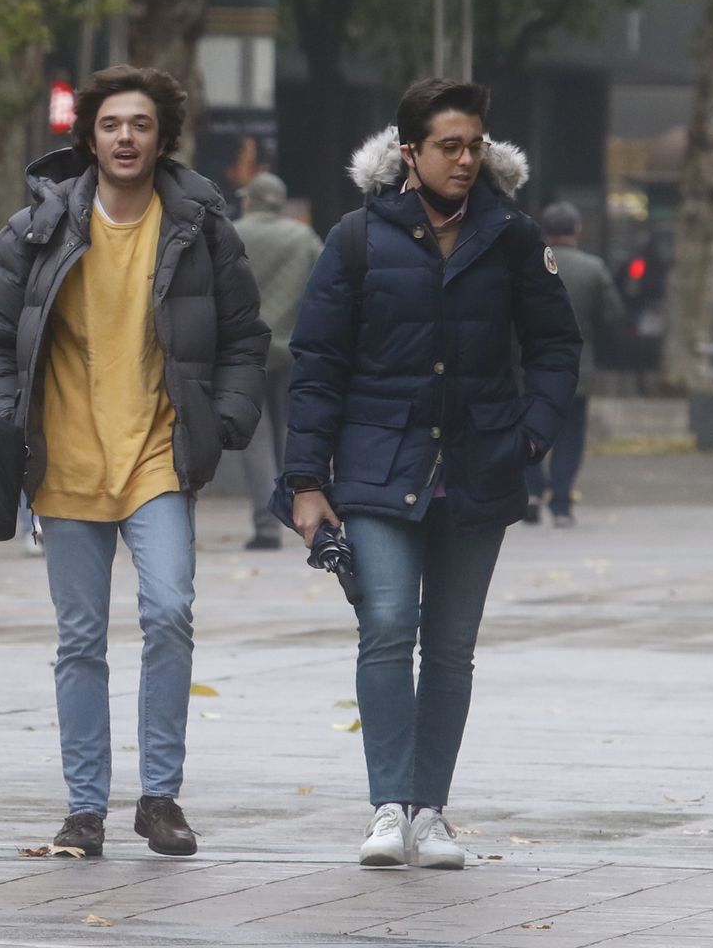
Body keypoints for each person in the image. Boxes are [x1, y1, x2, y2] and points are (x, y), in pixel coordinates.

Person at [272, 78, 580, 870]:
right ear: (409, 152)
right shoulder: (356, 239)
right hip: (378, 464)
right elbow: (317, 364)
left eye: (476, 144)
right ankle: (387, 805)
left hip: (479, 466)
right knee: (386, 626)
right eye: (450, 145)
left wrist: (533, 437)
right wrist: (306, 478)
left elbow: (555, 345)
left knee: (449, 646)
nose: (467, 159)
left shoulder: (512, 236)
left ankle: (430, 811)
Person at [0, 65, 270, 858]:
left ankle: (160, 797)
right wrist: (4, 423)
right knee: (80, 639)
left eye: (140, 124)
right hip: (63, 459)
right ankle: (84, 807)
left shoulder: (199, 225)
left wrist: (227, 419)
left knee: (169, 612)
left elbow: (244, 335)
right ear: (89, 136)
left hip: (159, 457)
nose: (125, 138)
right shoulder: (38, 227)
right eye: (110, 125)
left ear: (162, 137)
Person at [231, 172, 322, 551]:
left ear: (250, 200)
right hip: (291, 349)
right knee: (290, 433)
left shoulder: (231, 233)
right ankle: (301, 510)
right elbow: (325, 288)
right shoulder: (303, 238)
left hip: (243, 352)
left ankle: (265, 526)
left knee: (256, 437)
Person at [524, 202, 623, 526]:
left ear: (545, 230)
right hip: (577, 364)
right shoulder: (593, 268)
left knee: (527, 428)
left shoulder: (529, 262)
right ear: (577, 230)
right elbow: (613, 316)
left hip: (529, 363)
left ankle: (533, 490)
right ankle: (562, 503)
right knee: (571, 434)